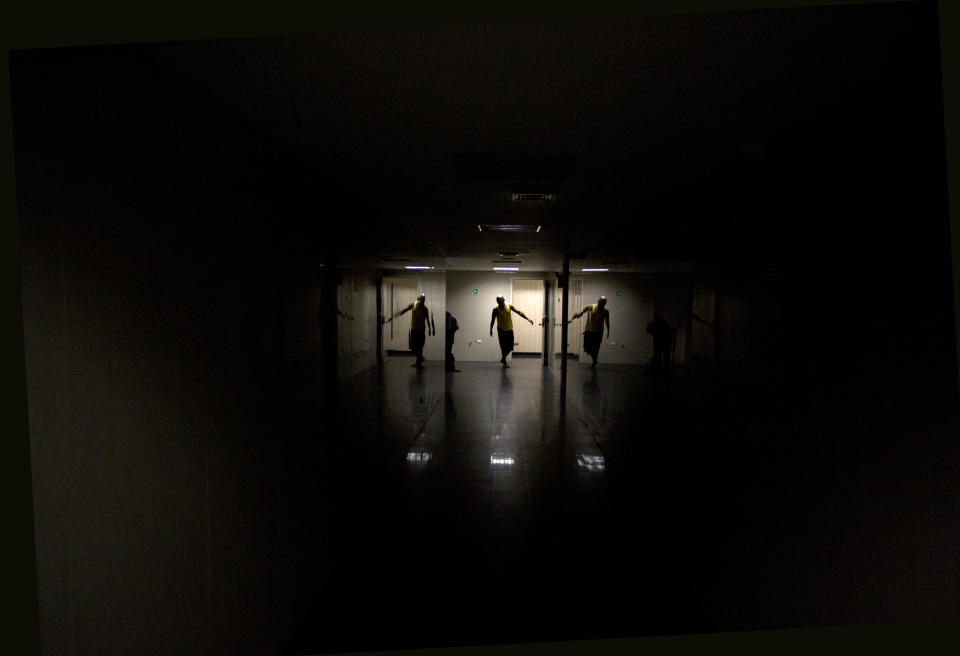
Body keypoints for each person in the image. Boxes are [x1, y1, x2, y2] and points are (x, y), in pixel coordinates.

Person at [385, 293, 435, 368]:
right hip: (414, 328)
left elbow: (427, 319)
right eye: (422, 300)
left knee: (420, 346)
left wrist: (430, 329)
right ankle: (420, 357)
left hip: (421, 329)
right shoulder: (413, 305)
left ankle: (419, 363)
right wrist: (393, 317)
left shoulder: (425, 308)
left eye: (424, 300)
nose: (423, 301)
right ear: (419, 300)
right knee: (413, 346)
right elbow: (403, 311)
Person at [489, 295, 534, 368]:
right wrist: (490, 330)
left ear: (504, 300)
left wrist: (527, 318)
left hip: (509, 329)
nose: (500, 302)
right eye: (498, 301)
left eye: (501, 300)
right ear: (497, 302)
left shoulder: (509, 306)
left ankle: (503, 358)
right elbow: (493, 320)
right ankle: (504, 363)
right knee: (503, 347)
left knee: (510, 346)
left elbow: (519, 312)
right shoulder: (495, 309)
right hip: (501, 330)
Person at [569, 296, 610, 368]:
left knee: (596, 348)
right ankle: (594, 359)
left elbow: (607, 322)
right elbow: (579, 313)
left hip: (599, 332)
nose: (602, 304)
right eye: (601, 302)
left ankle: (594, 360)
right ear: (598, 301)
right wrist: (572, 319)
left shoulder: (606, 311)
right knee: (587, 348)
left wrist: (608, 331)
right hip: (589, 331)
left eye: (604, 303)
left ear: (605, 304)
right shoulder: (591, 307)